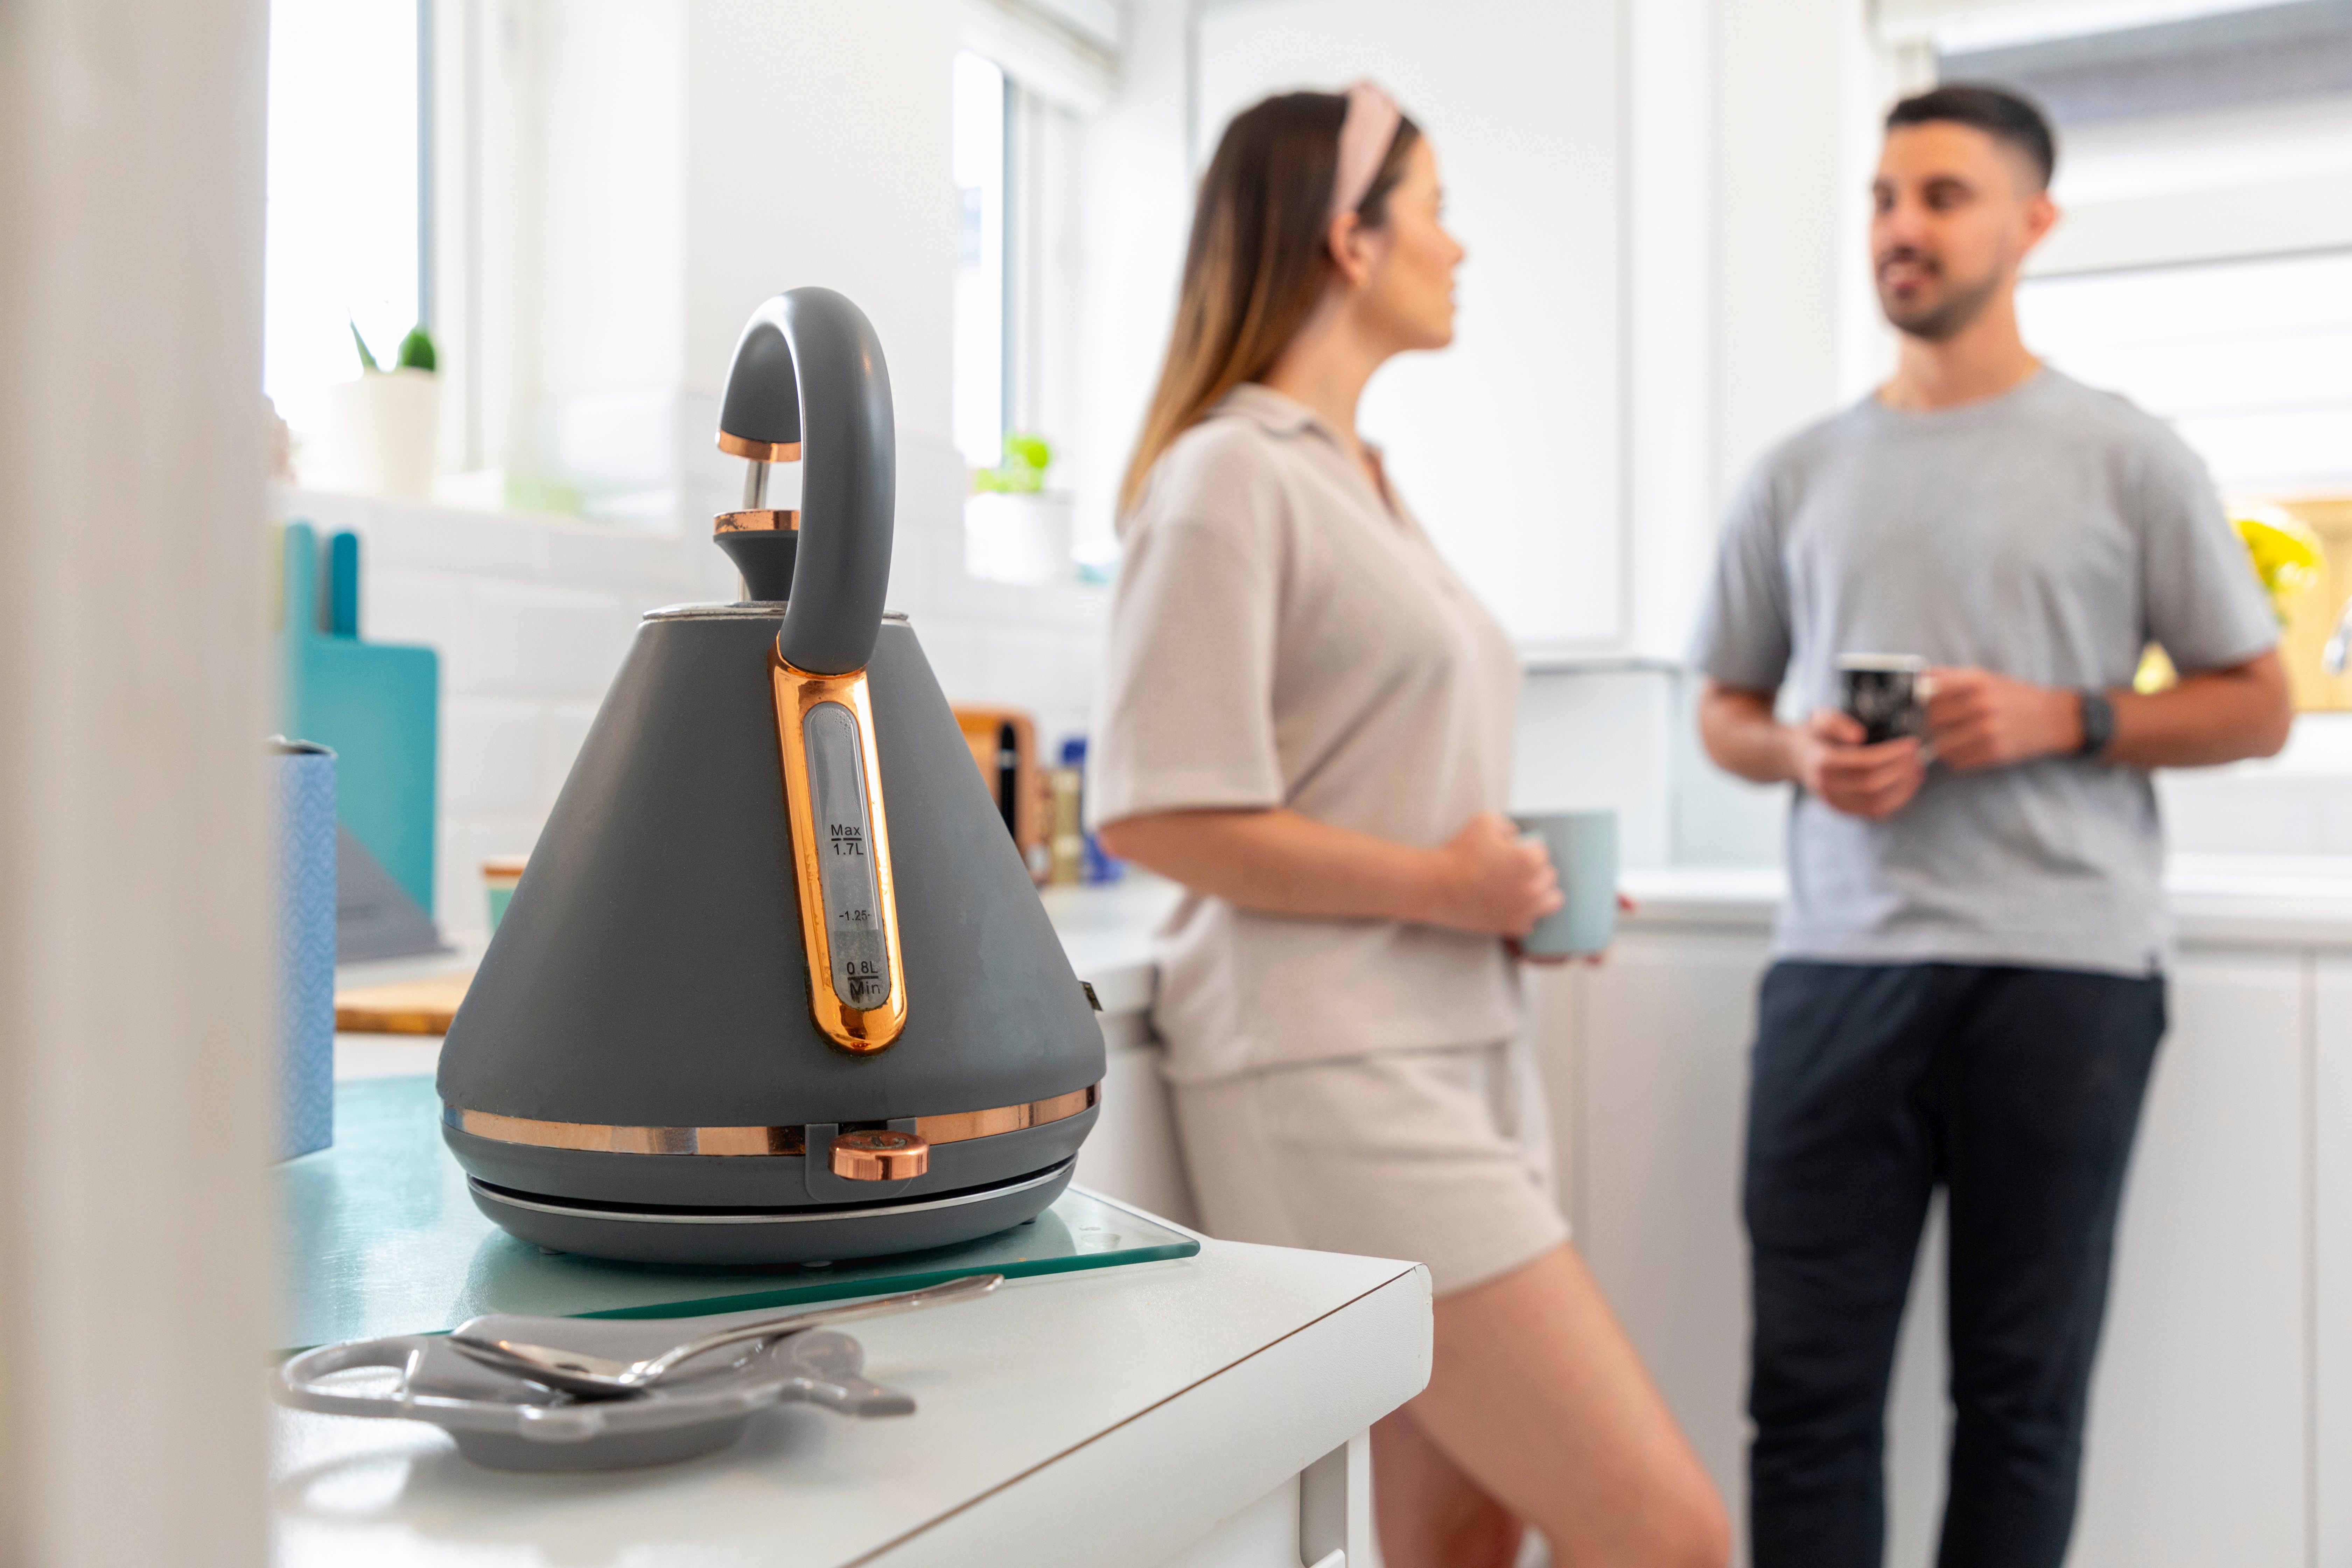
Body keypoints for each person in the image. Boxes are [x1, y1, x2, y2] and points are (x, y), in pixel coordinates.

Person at [1089, 82, 1729, 1568]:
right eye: (1436, 211)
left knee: (1461, 1536)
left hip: (1456, 1047)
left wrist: (1501, 886)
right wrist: (1447, 886)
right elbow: (1159, 805)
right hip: (1334, 1072)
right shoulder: (1228, 475)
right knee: (1666, 1533)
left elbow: (1360, 768)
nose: (1462, 248)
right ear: (1350, 242)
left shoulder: (1365, 482)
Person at [1691, 84, 2293, 1568]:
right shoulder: (1797, 471)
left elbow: (2260, 703)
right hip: (1839, 972)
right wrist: (1801, 755)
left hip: (2067, 979)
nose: (1904, 226)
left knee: (2022, 1406)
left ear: (2033, 223)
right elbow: (1724, 707)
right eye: (1886, 197)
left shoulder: (2128, 455)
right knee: (1806, 1401)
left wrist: (2065, 716)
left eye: (1945, 195)